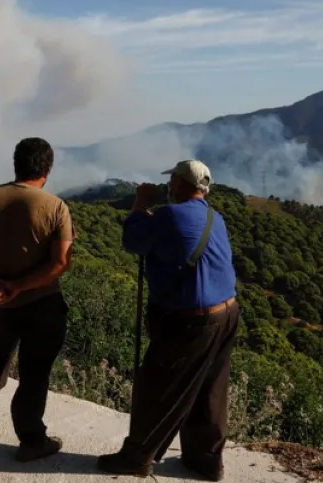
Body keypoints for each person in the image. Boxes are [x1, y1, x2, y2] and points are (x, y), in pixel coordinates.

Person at [97, 159, 239, 481]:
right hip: (228, 313)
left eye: (172, 181)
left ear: (177, 183)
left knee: (157, 386)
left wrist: (139, 204)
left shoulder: (169, 214)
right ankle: (205, 462)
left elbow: (132, 241)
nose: (169, 186)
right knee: (209, 390)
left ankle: (137, 456)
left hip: (192, 321)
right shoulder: (215, 218)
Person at [0, 137, 75, 462]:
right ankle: (31, 439)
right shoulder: (55, 207)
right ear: (47, 169)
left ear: (16, 163)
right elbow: (60, 263)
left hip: (0, 301)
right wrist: (20, 286)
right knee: (34, 372)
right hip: (43, 303)